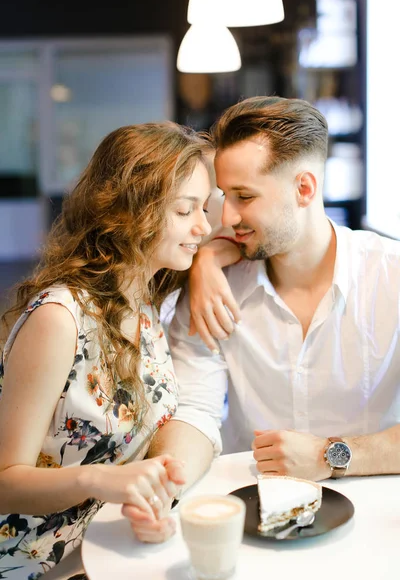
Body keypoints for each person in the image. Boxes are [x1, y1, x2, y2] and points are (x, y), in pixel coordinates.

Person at [0, 121, 213, 579]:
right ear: (132, 211)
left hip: (102, 552)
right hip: (31, 565)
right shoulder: (60, 319)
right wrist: (101, 482)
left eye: (205, 208)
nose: (204, 225)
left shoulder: (145, 302)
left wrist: (144, 504)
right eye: (185, 210)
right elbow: (4, 481)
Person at [165, 95, 400, 486]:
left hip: (376, 521)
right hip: (253, 513)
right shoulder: (214, 287)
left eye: (245, 196)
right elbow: (195, 408)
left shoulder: (391, 276)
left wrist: (331, 454)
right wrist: (169, 478)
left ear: (304, 189)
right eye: (225, 196)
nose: (226, 218)